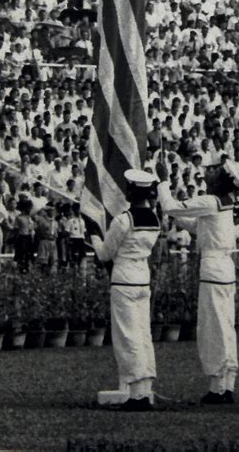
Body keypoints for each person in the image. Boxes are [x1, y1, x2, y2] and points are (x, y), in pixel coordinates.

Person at [157, 163, 239, 405]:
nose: (209, 173)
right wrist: (176, 215)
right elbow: (198, 226)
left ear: (220, 181)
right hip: (223, 268)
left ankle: (218, 387)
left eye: (214, 172)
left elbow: (171, 205)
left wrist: (163, 182)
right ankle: (227, 383)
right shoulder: (223, 203)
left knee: (213, 327)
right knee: (224, 326)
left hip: (214, 267)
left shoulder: (210, 201)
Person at [91, 169, 160, 411]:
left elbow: (104, 254)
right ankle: (144, 388)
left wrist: (95, 237)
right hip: (142, 278)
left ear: (132, 192)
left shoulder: (124, 220)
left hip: (124, 280)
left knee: (128, 336)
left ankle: (137, 394)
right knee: (143, 334)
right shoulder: (154, 220)